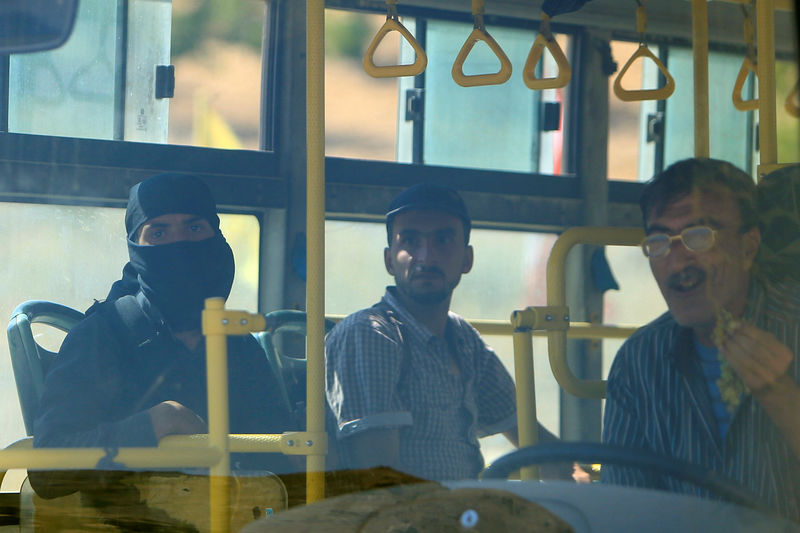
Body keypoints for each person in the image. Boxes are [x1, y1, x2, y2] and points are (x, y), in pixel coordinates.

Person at [31, 173, 295, 497]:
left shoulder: (238, 344)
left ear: (217, 236)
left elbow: (288, 467)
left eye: (194, 228)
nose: (179, 244)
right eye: (158, 232)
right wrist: (159, 423)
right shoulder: (102, 337)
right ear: (135, 247)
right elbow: (47, 470)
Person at [602, 158, 800, 522]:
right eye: (659, 242)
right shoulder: (639, 363)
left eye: (698, 237)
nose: (677, 263)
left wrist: (781, 394)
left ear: (748, 248)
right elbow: (623, 513)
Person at [325, 183, 561, 481]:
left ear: (467, 259)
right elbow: (380, 483)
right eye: (410, 241)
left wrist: (579, 478)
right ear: (388, 260)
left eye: (443, 240)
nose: (426, 257)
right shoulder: (371, 333)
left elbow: (530, 436)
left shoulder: (463, 338)